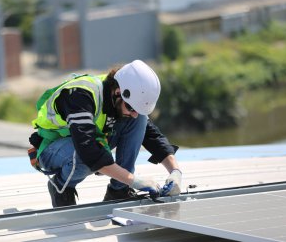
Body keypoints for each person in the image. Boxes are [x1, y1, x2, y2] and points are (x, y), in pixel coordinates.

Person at [29, 59, 183, 207]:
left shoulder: (120, 100)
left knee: (140, 121)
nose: (134, 113)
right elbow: (88, 150)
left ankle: (118, 191)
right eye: (131, 108)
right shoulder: (80, 96)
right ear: (118, 92)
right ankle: (61, 187)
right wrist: (133, 180)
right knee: (83, 157)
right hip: (52, 149)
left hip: (84, 142)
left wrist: (175, 172)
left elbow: (152, 136)